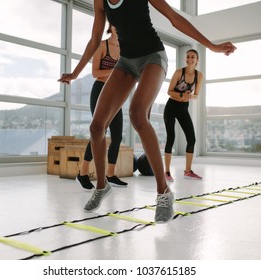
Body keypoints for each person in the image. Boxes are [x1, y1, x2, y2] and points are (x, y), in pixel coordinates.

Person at [58, 0, 236, 223]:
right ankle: (102, 186)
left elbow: (175, 18)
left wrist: (212, 46)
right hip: (125, 62)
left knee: (137, 115)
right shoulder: (100, 1)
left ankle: (163, 192)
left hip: (153, 56)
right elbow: (95, 39)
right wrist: (75, 73)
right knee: (96, 127)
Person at [76, 24, 128, 190]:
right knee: (99, 133)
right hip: (100, 90)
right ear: (111, 27)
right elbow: (95, 72)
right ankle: (82, 173)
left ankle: (110, 175)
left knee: (117, 135)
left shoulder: (126, 49)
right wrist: (115, 70)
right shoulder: (102, 45)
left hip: (116, 93)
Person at [164, 49, 203, 182]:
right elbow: (169, 91)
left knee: (191, 139)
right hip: (171, 107)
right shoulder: (179, 72)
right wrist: (181, 95)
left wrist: (191, 96)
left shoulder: (199, 76)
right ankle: (167, 172)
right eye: (188, 57)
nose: (190, 59)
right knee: (171, 138)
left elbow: (196, 94)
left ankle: (187, 171)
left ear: (197, 60)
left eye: (193, 57)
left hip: (183, 109)